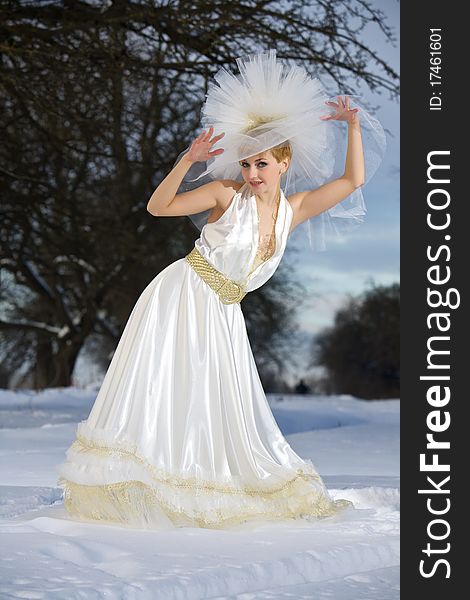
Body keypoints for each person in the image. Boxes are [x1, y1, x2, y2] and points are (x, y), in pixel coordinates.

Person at [56, 50, 385, 530]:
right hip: (182, 295)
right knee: (166, 392)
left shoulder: (294, 210)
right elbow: (157, 207)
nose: (253, 173)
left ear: (284, 162)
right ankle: (145, 484)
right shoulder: (226, 195)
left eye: (263, 164)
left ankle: (201, 486)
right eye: (248, 163)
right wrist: (187, 160)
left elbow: (352, 179)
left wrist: (353, 127)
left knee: (216, 402)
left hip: (224, 309)